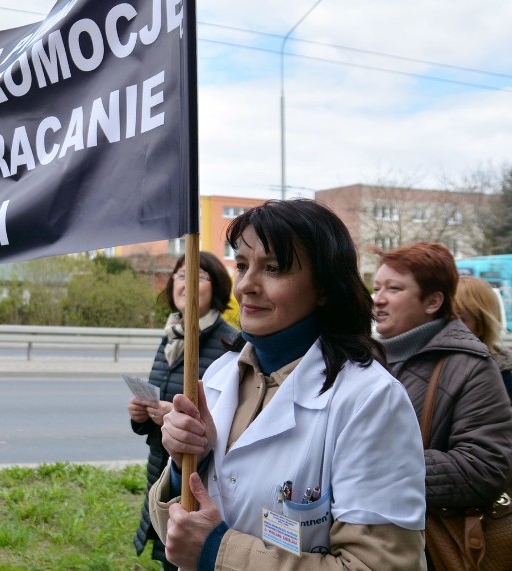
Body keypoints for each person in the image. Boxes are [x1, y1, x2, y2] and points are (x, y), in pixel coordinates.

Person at [148, 199, 427, 570]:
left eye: (274, 268)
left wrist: (217, 551)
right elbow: (179, 534)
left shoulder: (371, 400)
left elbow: (378, 565)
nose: (246, 286)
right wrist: (188, 464)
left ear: (325, 287)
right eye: (243, 265)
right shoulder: (218, 375)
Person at [372, 242, 512, 569]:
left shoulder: (470, 365)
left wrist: (375, 466)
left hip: (424, 545)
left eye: (394, 289)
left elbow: (485, 467)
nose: (378, 299)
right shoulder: (366, 357)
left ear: (433, 301)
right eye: (377, 287)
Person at [130, 251, 237, 571]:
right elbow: (158, 410)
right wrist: (142, 416)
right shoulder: (171, 337)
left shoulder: (230, 344)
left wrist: (181, 422)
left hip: (202, 486)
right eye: (180, 275)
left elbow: (235, 424)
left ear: (217, 288)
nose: (186, 283)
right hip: (163, 475)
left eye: (199, 276)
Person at [454, 275, 512, 417]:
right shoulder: (423, 363)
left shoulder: (498, 374)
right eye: (443, 318)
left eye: (460, 319)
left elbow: (502, 432)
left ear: (482, 325)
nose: (448, 327)